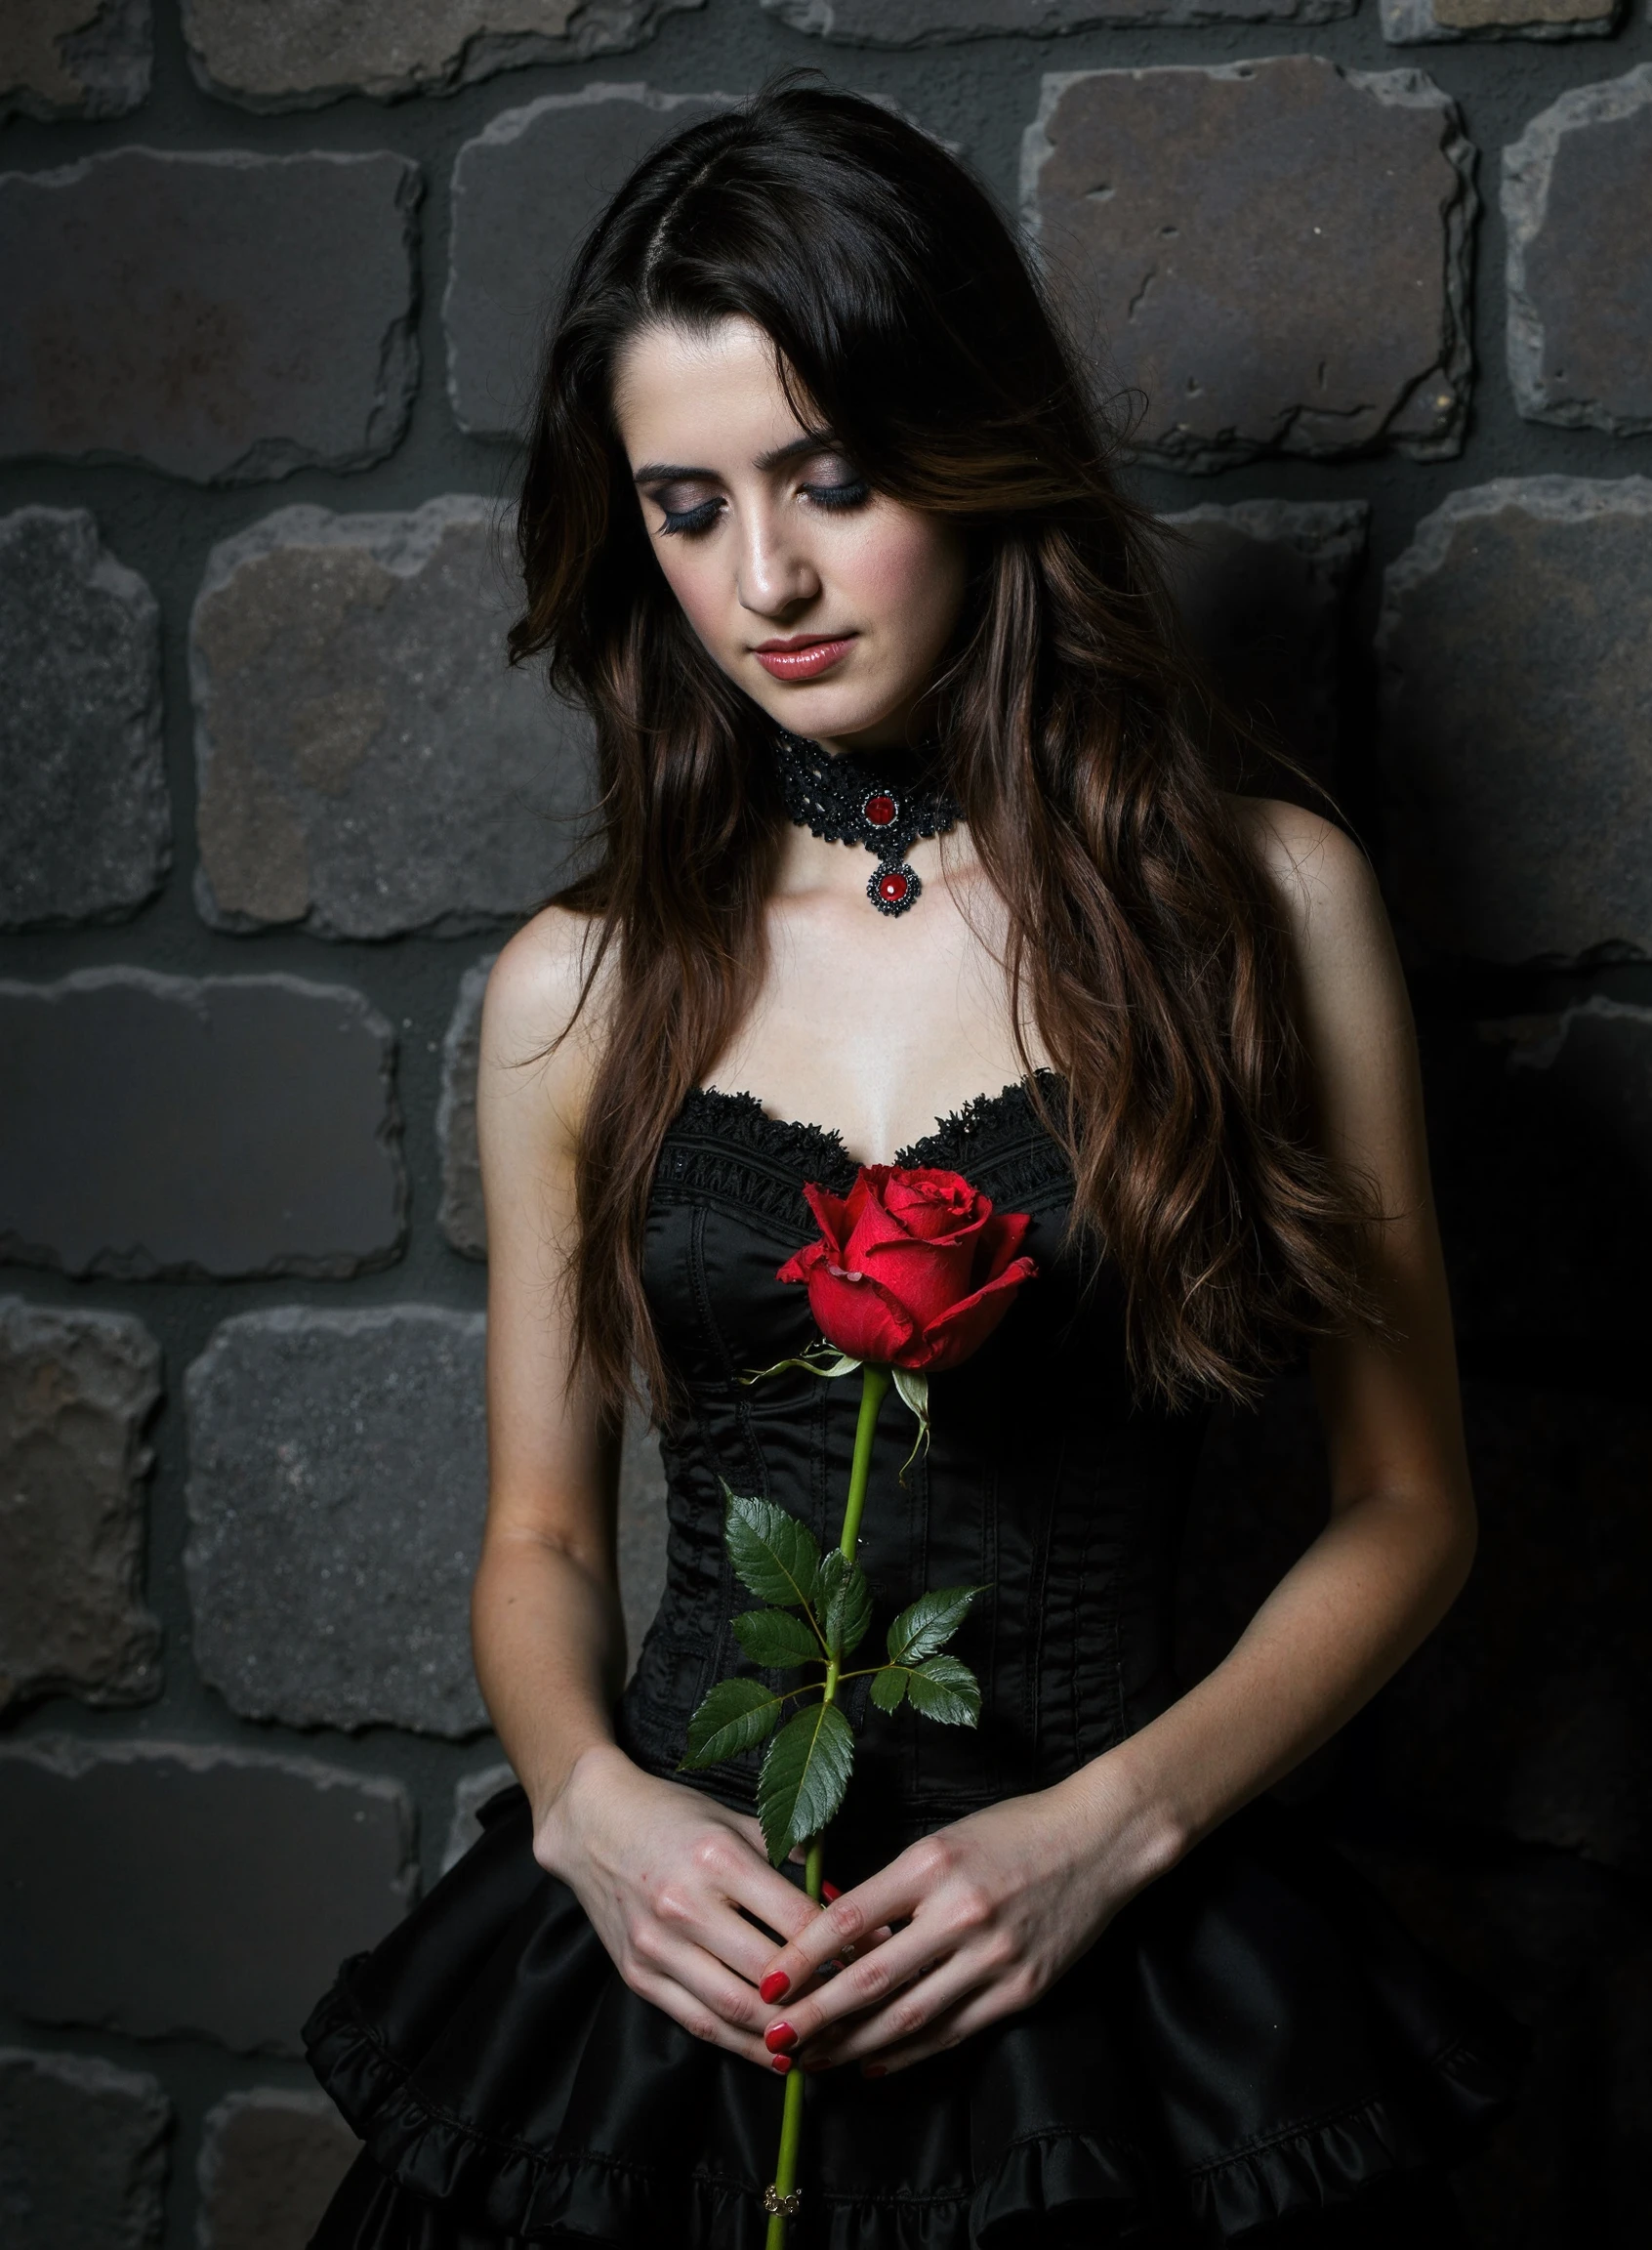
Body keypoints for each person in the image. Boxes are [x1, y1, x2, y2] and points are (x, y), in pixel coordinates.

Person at [306, 82, 1523, 2250]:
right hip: (673, 1955)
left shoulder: (1260, 905)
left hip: (1107, 1940)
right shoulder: (573, 987)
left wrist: (1104, 1834)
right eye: (682, 508)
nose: (758, 577)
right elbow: (535, 1533)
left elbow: (1408, 1505)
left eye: (829, 482)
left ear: (969, 457)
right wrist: (589, 1813)